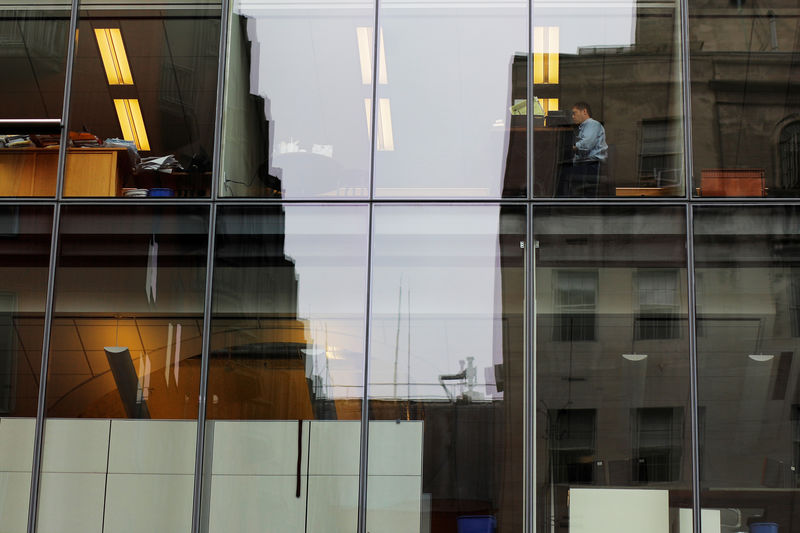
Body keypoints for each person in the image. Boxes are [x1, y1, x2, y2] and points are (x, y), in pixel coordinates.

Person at [557, 102, 608, 196]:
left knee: (561, 173)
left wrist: (570, 148)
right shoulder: (585, 126)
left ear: (584, 111)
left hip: (591, 165)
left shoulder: (592, 124)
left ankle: (560, 201)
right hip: (587, 164)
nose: (573, 116)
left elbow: (586, 144)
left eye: (575, 113)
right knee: (562, 169)